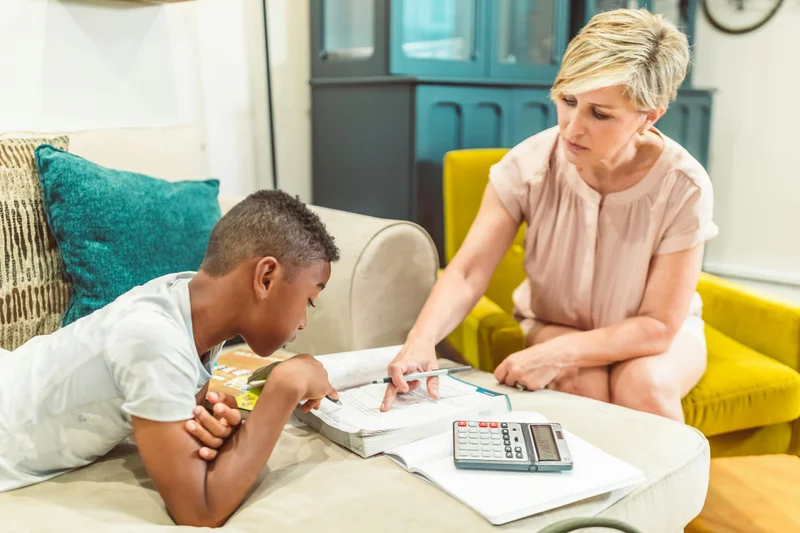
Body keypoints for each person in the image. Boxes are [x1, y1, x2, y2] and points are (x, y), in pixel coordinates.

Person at [381, 8, 718, 423]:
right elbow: (467, 272)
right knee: (583, 385)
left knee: (645, 385)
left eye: (600, 113)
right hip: (553, 323)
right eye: (568, 100)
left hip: (652, 334)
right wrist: (421, 340)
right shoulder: (527, 166)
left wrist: (556, 354)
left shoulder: (684, 185)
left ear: (649, 117)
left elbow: (658, 326)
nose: (572, 128)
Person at [0, 190, 340, 527]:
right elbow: (198, 512)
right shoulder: (153, 337)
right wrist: (285, 385)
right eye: (308, 301)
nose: (303, 323)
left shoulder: (192, 304)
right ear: (265, 278)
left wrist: (213, 421)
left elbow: (188, 415)